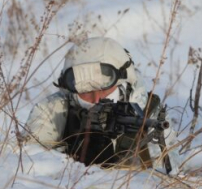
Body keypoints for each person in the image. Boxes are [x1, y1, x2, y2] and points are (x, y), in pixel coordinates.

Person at [23, 37, 180, 175]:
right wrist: (69, 161)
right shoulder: (53, 110)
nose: (96, 99)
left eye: (104, 89)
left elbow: (163, 179)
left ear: (124, 82)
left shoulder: (148, 112)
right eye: (86, 91)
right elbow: (27, 166)